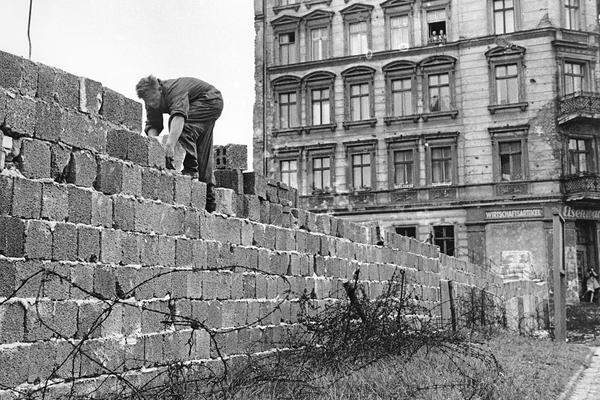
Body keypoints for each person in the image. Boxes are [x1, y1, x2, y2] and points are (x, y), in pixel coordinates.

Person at [135, 76, 223, 211]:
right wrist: (153, 145)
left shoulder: (173, 90)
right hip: (203, 103)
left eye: (153, 100)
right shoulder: (151, 99)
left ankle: (191, 170)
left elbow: (179, 116)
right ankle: (209, 200)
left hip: (211, 100)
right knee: (202, 149)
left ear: (159, 89)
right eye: (148, 102)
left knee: (181, 127)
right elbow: (153, 124)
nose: (152, 104)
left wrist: (170, 145)